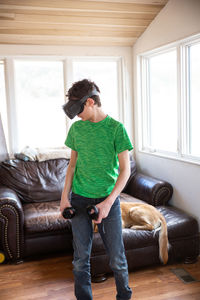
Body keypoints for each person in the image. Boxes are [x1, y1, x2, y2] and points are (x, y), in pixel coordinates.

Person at [60, 79, 133, 300]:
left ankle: (124, 296)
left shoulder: (116, 129)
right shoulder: (76, 129)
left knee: (117, 259)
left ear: (90, 102)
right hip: (80, 199)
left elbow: (125, 171)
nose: (75, 116)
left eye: (78, 109)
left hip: (107, 201)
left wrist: (108, 202)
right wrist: (64, 198)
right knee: (81, 259)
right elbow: (72, 165)